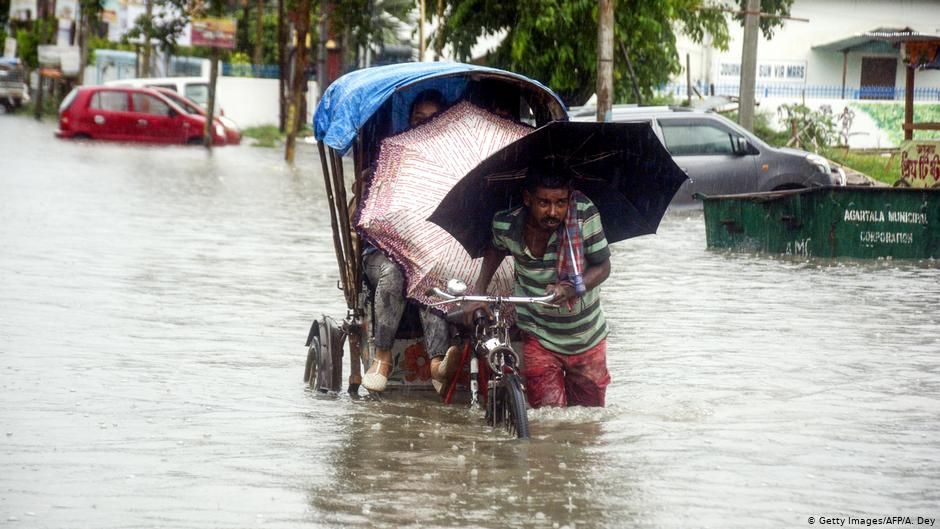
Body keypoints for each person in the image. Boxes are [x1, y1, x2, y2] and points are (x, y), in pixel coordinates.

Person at [469, 167, 612, 408]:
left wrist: (570, 288)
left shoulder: (584, 215)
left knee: (588, 423)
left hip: (586, 337)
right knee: (548, 419)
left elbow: (604, 266)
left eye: (561, 203)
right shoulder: (506, 224)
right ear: (527, 199)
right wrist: (478, 293)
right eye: (544, 203)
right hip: (538, 334)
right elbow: (495, 249)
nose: (553, 212)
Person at [361, 89, 460, 394]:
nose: (425, 125)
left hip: (429, 256)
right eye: (419, 119)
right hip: (382, 255)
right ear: (410, 121)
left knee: (431, 274)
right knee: (398, 270)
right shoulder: (392, 157)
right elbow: (363, 216)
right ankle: (382, 356)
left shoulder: (453, 167)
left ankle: (436, 365)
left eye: (432, 120)